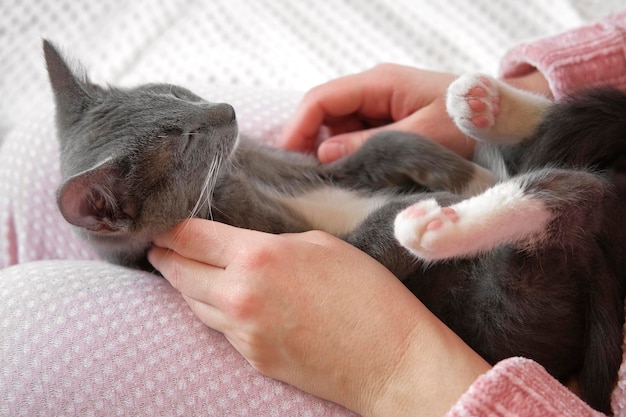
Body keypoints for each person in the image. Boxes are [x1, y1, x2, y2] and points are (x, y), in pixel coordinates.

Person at [148, 12, 626, 417]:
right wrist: (541, 82)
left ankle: (531, 190)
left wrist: (393, 366)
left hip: (498, 347)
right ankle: (536, 140)